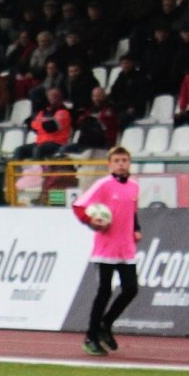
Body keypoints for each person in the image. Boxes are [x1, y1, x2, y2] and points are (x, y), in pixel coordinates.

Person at [71, 145, 140, 356]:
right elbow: (79, 206)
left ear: (129, 163)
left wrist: (136, 229)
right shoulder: (103, 184)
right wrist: (91, 221)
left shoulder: (134, 186)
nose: (121, 165)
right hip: (106, 247)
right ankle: (91, 337)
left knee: (131, 289)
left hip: (126, 247)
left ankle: (105, 324)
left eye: (124, 160)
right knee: (104, 291)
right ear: (110, 164)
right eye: (117, 161)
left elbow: (132, 211)